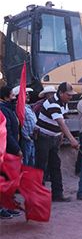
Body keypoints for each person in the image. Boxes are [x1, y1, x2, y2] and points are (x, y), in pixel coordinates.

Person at [34, 82, 79, 202]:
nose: (71, 97)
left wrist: (61, 136)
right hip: (43, 138)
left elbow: (62, 121)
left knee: (55, 166)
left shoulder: (63, 103)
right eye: (68, 95)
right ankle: (38, 197)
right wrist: (72, 139)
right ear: (61, 93)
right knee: (41, 167)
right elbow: (61, 123)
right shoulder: (53, 104)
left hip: (53, 137)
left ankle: (57, 194)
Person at [0, 85, 21, 219]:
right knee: (4, 180)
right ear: (5, 97)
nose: (15, 97)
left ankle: (8, 205)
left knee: (9, 180)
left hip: (9, 150)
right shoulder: (2, 110)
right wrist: (16, 149)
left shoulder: (8, 109)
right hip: (5, 151)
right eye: (12, 95)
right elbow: (6, 133)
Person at [12, 86, 37, 166]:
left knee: (31, 160)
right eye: (25, 94)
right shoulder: (19, 108)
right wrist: (26, 136)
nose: (28, 95)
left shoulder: (28, 107)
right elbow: (20, 123)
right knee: (25, 161)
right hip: (26, 139)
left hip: (32, 137)